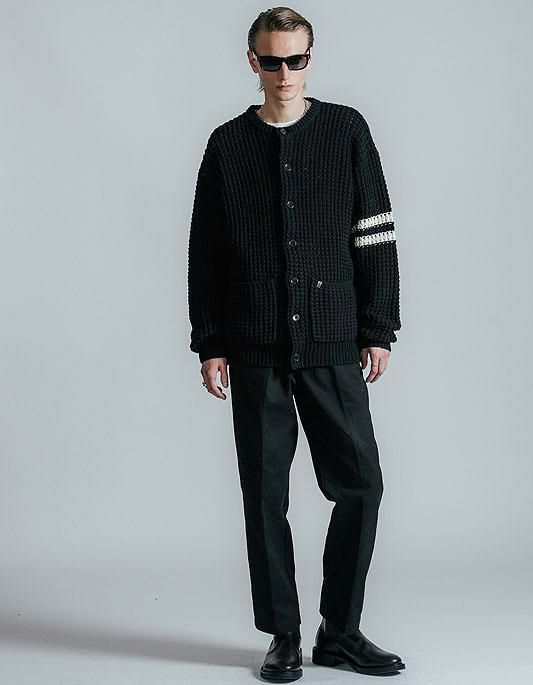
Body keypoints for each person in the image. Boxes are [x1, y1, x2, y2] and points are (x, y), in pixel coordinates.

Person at [187, 7, 405, 681]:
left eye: (297, 60)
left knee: (361, 485)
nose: (285, 73)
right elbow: (205, 252)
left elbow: (374, 232)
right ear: (253, 62)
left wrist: (378, 327)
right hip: (254, 345)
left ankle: (340, 631)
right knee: (264, 497)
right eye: (273, 61)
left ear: (311, 59)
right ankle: (283, 634)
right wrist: (210, 341)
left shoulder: (346, 131)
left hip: (333, 340)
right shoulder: (227, 146)